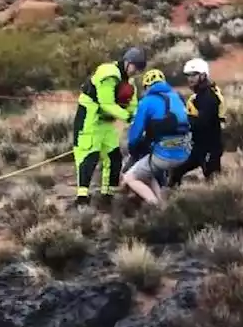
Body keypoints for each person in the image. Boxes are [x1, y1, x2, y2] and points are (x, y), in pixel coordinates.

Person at [73, 47, 147, 209]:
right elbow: (106, 103)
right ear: (127, 63)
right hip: (90, 119)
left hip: (107, 123)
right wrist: (126, 116)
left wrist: (137, 116)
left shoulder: (129, 82)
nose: (136, 72)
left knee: (114, 157)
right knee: (89, 156)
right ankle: (82, 198)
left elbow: (132, 104)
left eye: (139, 69)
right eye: (135, 67)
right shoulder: (109, 74)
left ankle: (108, 196)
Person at [121, 68, 193, 207]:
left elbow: (135, 133)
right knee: (149, 171)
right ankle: (163, 204)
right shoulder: (177, 96)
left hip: (165, 156)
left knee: (130, 177)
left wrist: (132, 149)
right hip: (185, 151)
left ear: (147, 86)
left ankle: (154, 207)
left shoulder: (147, 102)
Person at [167, 58, 226, 188]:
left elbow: (202, 122)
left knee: (214, 183)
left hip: (210, 148)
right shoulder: (199, 95)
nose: (190, 78)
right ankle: (171, 201)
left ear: (203, 75)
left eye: (194, 75)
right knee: (176, 171)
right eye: (188, 75)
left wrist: (182, 121)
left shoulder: (209, 97)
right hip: (199, 147)